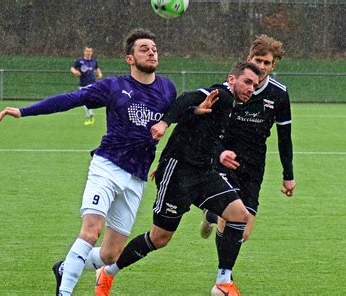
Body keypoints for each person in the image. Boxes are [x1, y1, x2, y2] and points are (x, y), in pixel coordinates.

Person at [0, 28, 176, 296]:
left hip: (136, 176)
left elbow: (180, 118)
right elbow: (70, 99)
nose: (151, 52)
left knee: (111, 254)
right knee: (91, 232)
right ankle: (64, 292)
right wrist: (23, 111)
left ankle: (64, 268)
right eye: (144, 48)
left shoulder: (167, 89)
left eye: (154, 48)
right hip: (107, 166)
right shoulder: (115, 86)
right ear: (129, 58)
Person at [94, 61, 262, 296]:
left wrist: (220, 154)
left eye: (255, 85)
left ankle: (223, 282)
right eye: (247, 82)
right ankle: (108, 271)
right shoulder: (220, 94)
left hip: (204, 173)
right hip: (179, 174)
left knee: (239, 215)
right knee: (159, 238)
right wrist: (163, 123)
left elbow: (202, 133)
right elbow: (185, 98)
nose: (251, 88)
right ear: (231, 79)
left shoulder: (231, 105)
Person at [198, 34, 297, 295]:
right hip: (223, 161)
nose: (262, 66)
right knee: (232, 216)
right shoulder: (228, 88)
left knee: (243, 232)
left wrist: (289, 175)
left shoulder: (279, 94)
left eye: (267, 62)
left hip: (254, 166)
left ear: (274, 65)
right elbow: (205, 126)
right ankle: (223, 280)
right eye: (257, 60)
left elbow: (284, 138)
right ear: (248, 59)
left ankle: (211, 215)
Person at [70, 46, 103, 125]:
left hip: (92, 84)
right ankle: (90, 115)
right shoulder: (80, 61)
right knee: (85, 101)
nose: (89, 53)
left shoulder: (94, 61)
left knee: (88, 100)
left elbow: (97, 68)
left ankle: (90, 114)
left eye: (90, 51)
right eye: (87, 51)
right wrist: (75, 72)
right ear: (84, 52)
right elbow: (72, 68)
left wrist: (99, 73)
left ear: (92, 52)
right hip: (83, 84)